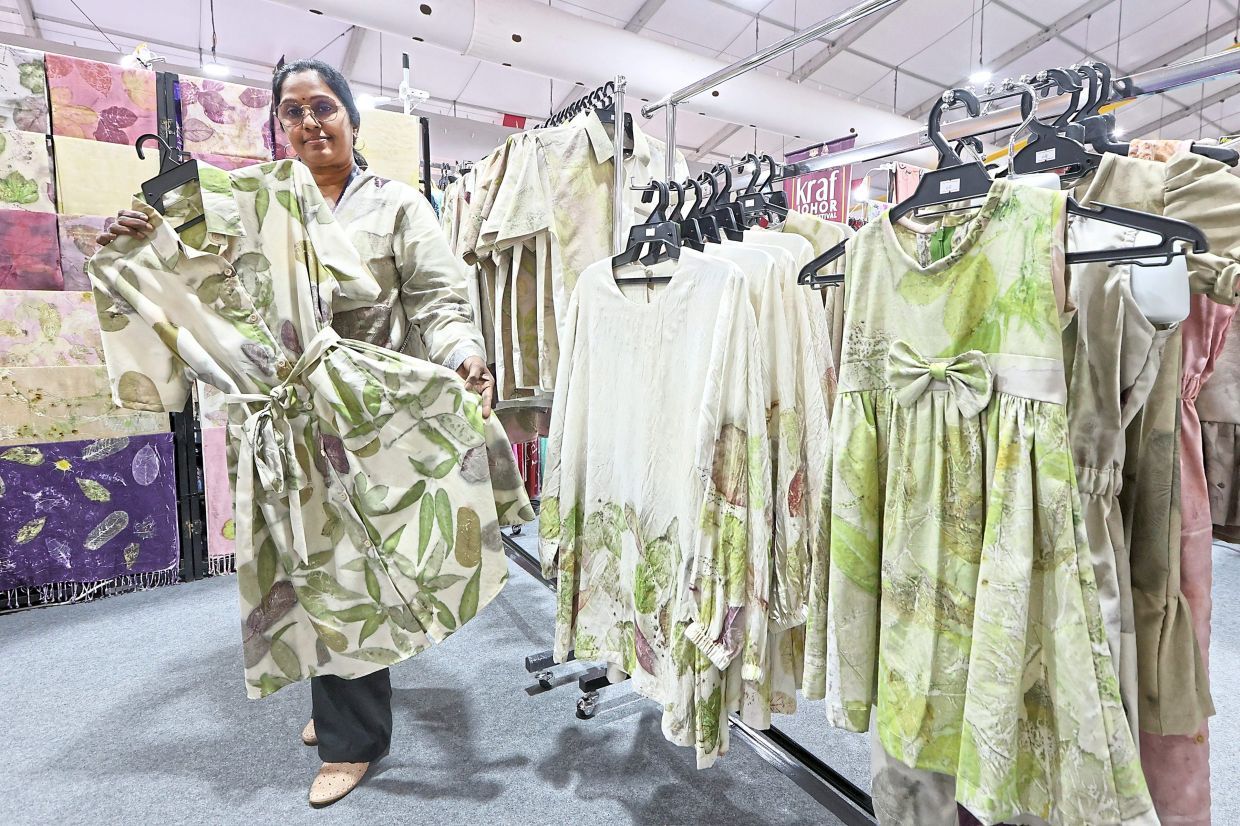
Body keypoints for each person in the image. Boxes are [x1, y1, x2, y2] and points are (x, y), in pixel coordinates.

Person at [97, 58, 494, 808]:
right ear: (279, 128)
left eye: (323, 107)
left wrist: (463, 354)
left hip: (362, 416)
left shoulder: (397, 208)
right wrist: (142, 234)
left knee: (347, 572)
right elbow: (188, 278)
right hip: (276, 420)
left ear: (350, 117)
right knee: (305, 566)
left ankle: (353, 741)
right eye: (292, 112)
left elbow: (440, 302)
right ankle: (338, 691)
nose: (309, 123)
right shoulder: (240, 207)